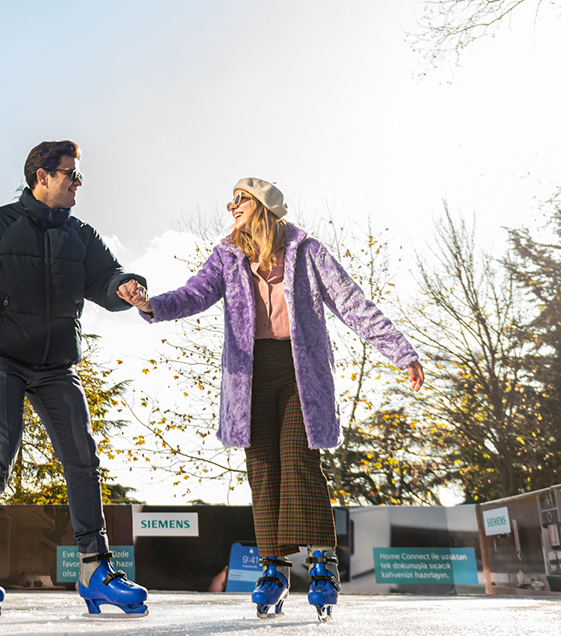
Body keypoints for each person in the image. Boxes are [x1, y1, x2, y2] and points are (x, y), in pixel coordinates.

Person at [118, 178, 424, 622]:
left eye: (239, 199)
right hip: (249, 376)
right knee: (262, 468)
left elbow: (352, 302)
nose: (231, 207)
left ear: (263, 206)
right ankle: (273, 569)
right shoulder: (227, 255)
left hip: (301, 372)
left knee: (299, 458)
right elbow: (194, 294)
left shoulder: (307, 251)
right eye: (230, 200)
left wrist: (401, 351)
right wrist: (151, 305)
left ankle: (322, 563)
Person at [0, 140, 150, 619]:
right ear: (42, 176)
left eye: (78, 176)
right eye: (71, 174)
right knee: (1, 453)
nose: (77, 183)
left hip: (56, 365)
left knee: (82, 457)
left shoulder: (80, 235)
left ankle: (95, 569)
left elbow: (106, 278)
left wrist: (126, 287)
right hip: (1, 357)